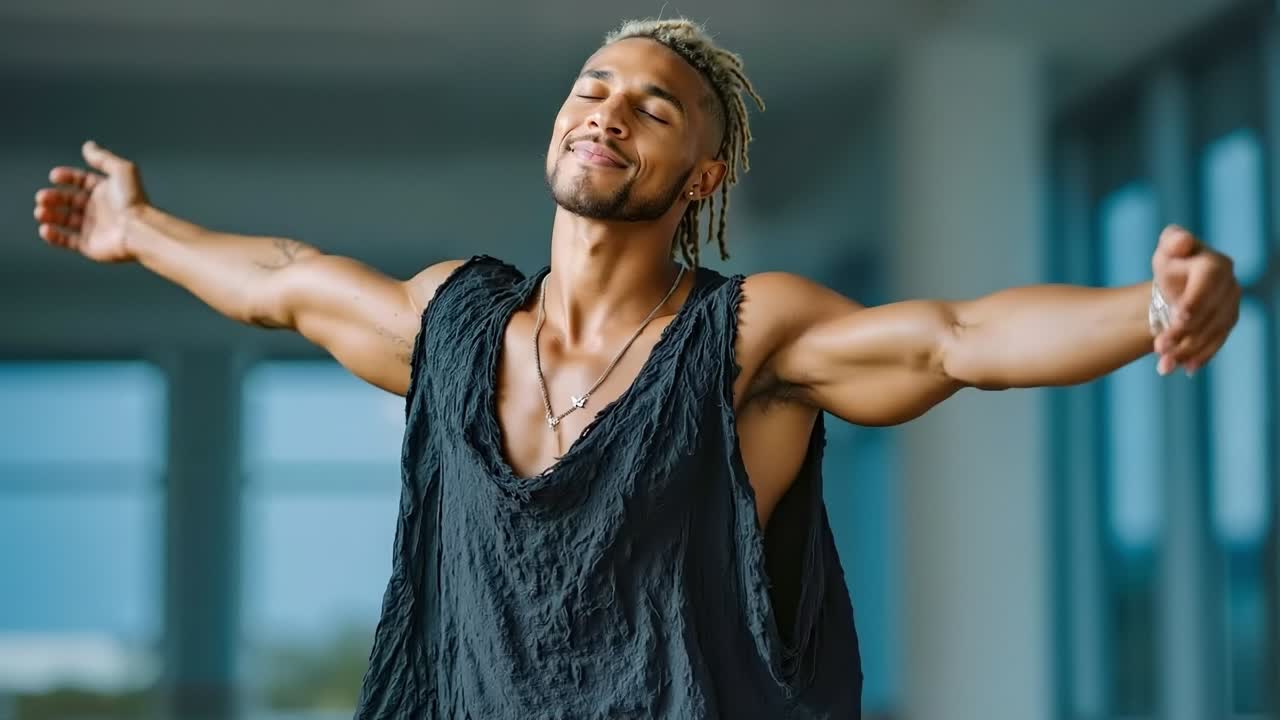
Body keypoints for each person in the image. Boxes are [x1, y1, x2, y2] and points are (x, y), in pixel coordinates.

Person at [32, 17, 1240, 720]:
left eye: (654, 108)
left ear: (702, 178)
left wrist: (1145, 309)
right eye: (592, 87)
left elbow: (952, 340)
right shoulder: (454, 324)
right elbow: (285, 283)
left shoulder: (743, 340)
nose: (607, 110)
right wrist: (133, 230)